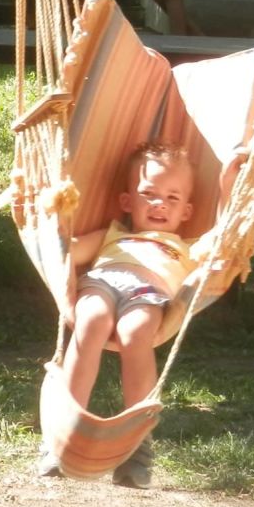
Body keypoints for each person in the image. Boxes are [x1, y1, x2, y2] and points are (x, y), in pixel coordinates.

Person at [40, 142, 217, 488]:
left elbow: (222, 246)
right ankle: (60, 435)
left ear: (187, 211)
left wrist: (236, 174)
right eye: (148, 194)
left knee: (135, 333)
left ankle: (137, 447)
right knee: (90, 320)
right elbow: (68, 251)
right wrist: (52, 216)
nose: (159, 204)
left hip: (148, 295)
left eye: (172, 198)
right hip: (102, 283)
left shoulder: (189, 249)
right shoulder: (112, 235)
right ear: (126, 201)